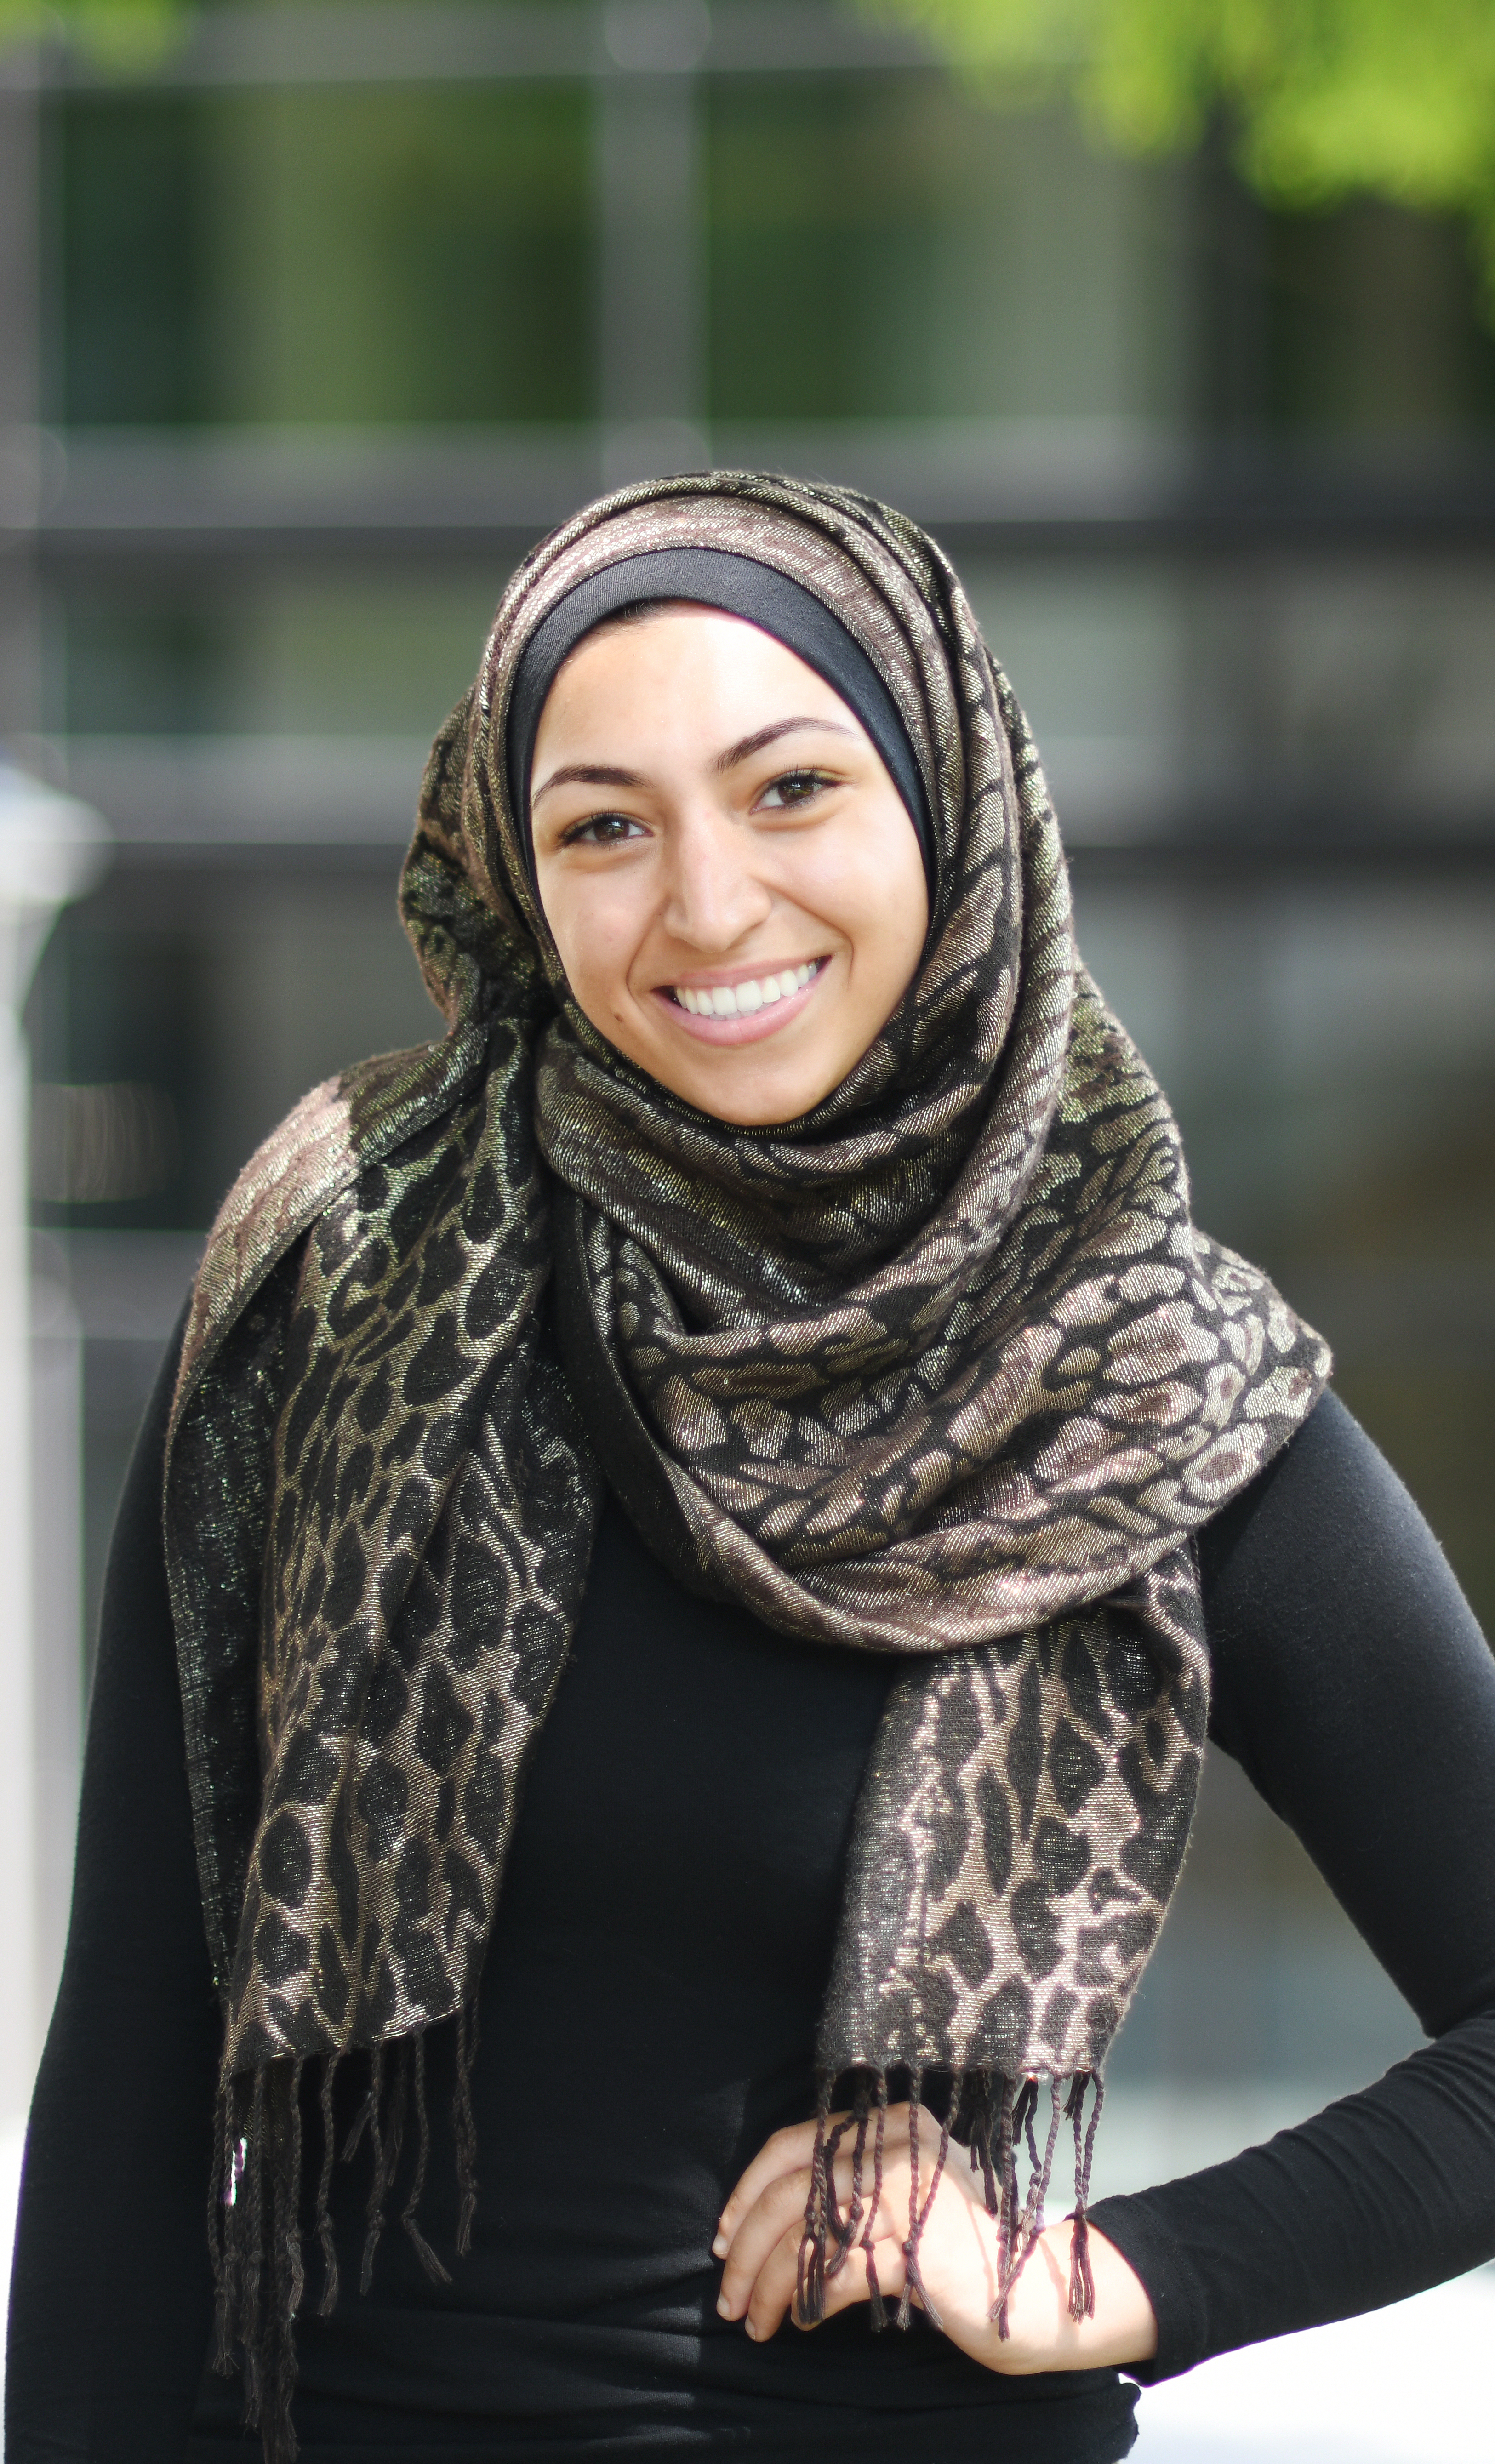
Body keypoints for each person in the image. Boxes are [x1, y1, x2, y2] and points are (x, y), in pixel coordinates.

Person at [8, 474, 1495, 2464]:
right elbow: (133, 2055)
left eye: (791, 789)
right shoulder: (349, 1263)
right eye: (604, 826)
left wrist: (1115, 2274)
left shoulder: (1152, 1378)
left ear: (948, 802)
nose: (706, 907)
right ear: (511, 875)